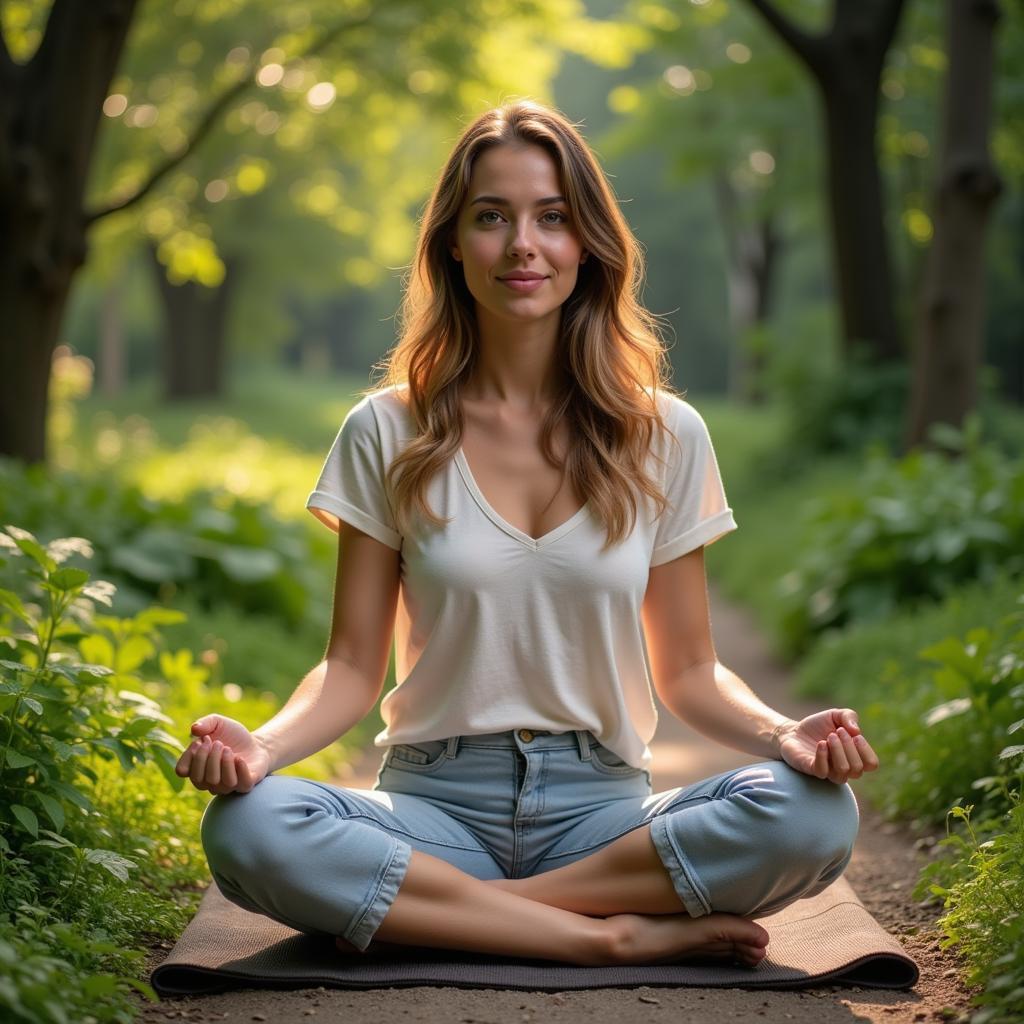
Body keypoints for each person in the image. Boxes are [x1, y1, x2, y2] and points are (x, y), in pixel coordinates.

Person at [176, 99, 879, 970]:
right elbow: (354, 666)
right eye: (491, 217)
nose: (522, 245)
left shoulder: (665, 435)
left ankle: (464, 917)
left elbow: (690, 671)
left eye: (552, 217)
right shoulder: (385, 430)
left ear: (587, 243)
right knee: (250, 827)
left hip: (607, 817)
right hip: (434, 809)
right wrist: (265, 746)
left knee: (815, 813)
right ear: (451, 245)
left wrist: (784, 736)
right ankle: (607, 938)